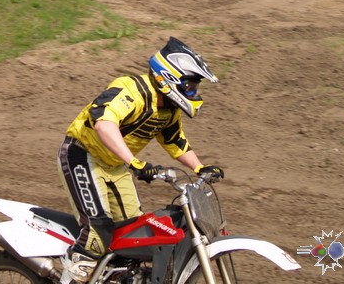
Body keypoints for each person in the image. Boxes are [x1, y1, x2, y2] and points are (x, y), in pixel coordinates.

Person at [57, 36, 225, 284]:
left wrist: (199, 167)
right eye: (189, 86)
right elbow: (103, 123)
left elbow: (175, 141)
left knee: (132, 235)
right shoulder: (131, 90)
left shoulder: (168, 109)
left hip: (114, 165)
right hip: (83, 155)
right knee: (97, 230)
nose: (193, 92)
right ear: (169, 78)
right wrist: (134, 162)